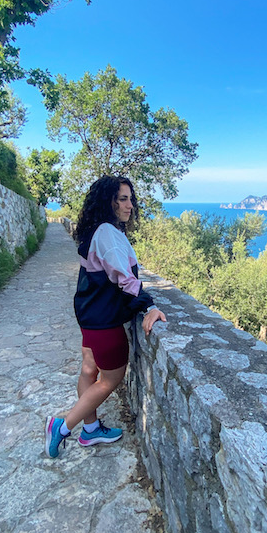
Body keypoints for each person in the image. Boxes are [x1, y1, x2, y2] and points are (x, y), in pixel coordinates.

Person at [45, 175, 166, 458]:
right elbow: (125, 281)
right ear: (108, 201)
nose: (130, 205)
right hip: (105, 321)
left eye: (131, 199)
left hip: (90, 316)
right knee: (110, 379)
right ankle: (63, 426)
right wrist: (149, 307)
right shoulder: (109, 236)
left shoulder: (98, 231)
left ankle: (90, 430)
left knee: (89, 370)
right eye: (122, 199)